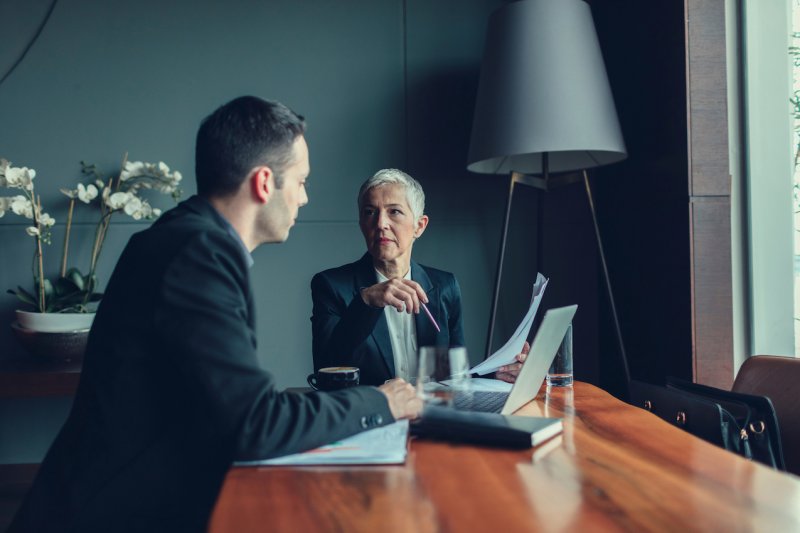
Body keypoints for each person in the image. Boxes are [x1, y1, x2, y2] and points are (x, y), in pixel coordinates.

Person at [10, 97, 421, 533]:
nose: (305, 196)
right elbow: (253, 423)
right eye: (300, 181)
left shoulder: (186, 238)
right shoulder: (198, 255)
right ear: (265, 183)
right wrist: (382, 401)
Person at [311, 168, 528, 387]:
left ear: (419, 226)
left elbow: (454, 376)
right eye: (369, 212)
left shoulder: (445, 287)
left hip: (435, 413)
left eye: (394, 211)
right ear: (361, 225)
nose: (380, 224)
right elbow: (325, 367)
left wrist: (495, 375)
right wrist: (366, 303)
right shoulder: (331, 286)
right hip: (372, 417)